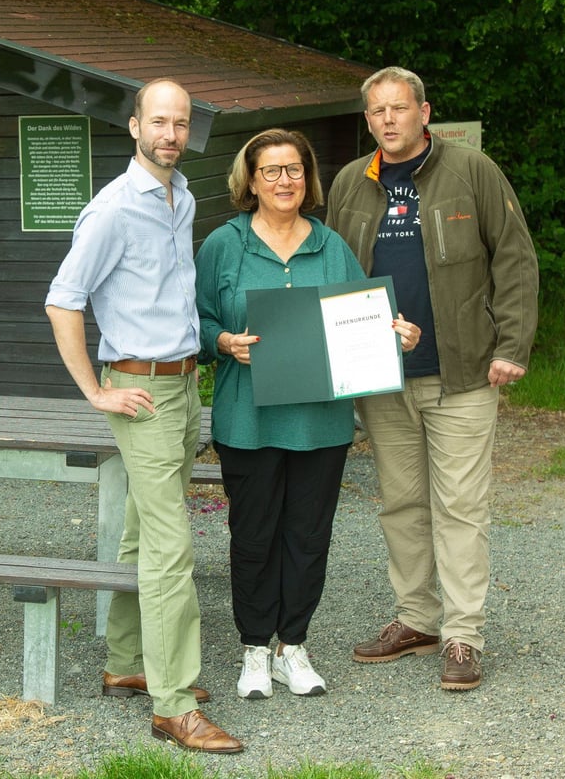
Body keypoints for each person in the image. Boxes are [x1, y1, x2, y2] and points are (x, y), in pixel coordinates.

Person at [45, 79, 243, 754]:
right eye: (158, 122)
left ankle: (128, 660)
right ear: (134, 127)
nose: (170, 134)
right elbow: (62, 301)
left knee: (138, 530)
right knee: (170, 548)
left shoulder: (179, 196)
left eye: (181, 123)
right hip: (139, 392)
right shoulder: (111, 210)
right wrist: (95, 393)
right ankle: (174, 703)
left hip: (185, 385)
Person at [326, 66, 539, 691]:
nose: (388, 120)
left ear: (424, 112)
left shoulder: (472, 171)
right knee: (400, 503)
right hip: (381, 376)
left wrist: (511, 344)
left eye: (399, 108)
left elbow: (516, 258)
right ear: (367, 120)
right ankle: (416, 618)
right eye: (376, 111)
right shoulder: (348, 183)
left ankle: (464, 636)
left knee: (461, 506)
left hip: (464, 371)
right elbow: (335, 274)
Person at [195, 128, 368, 700]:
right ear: (250, 180)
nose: (283, 181)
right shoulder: (225, 245)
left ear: (307, 177)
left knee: (307, 536)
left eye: (293, 169)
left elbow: (360, 323)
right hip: (249, 420)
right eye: (270, 171)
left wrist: (395, 335)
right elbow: (193, 321)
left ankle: (292, 646)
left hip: (320, 421)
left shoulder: (331, 246)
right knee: (253, 536)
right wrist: (221, 342)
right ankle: (253, 650)